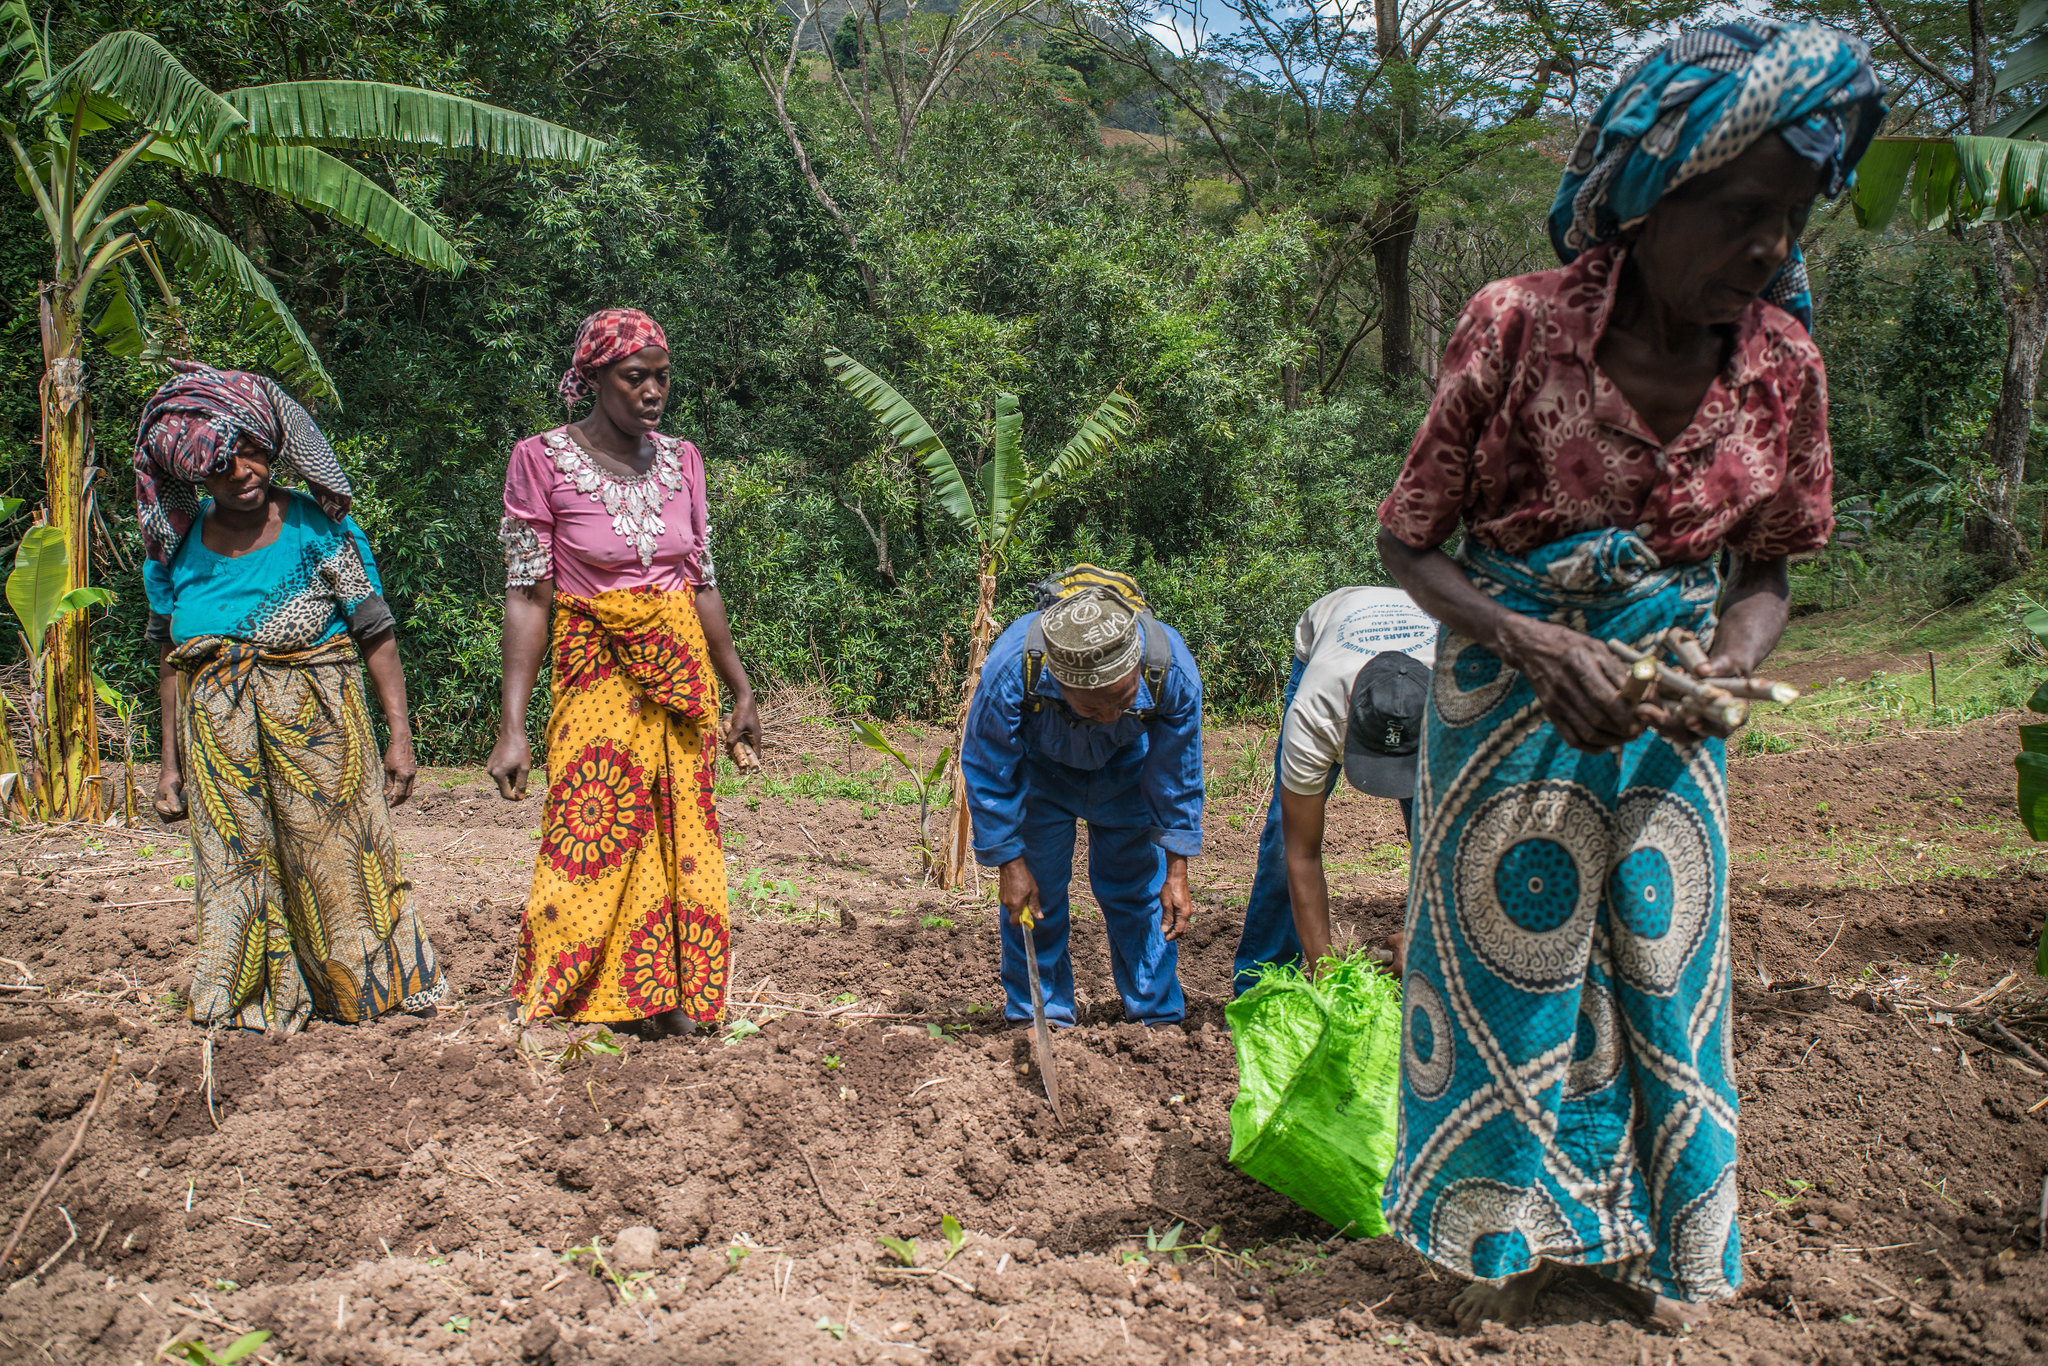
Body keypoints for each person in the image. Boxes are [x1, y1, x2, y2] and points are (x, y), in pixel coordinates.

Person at [1372, 22, 1883, 1330]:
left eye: (1795, 216)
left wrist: (1729, 662)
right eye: (1744, 211)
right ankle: (1503, 1253)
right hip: (1507, 698)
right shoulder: (1515, 326)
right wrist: (1537, 643)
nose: (1772, 246)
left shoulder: (1784, 368)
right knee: (1512, 969)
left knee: (1665, 966)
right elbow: (1408, 541)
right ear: (1654, 195)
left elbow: (1769, 568)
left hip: (1669, 712)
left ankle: (1665, 1249)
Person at [139, 360, 443, 1032]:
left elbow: (375, 630)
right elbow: (170, 660)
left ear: (270, 447)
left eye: (250, 453)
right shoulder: (176, 549)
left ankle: (363, 990)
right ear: (196, 478)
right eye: (221, 468)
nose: (243, 473)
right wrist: (170, 763)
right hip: (219, 733)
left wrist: (400, 738)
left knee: (339, 860)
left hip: (322, 725)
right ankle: (249, 999)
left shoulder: (315, 526)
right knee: (233, 867)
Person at [487, 309, 760, 1038]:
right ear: (594, 378)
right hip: (594, 669)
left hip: (679, 672)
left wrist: (739, 685)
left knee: (679, 828)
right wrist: (511, 727)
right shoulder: (540, 459)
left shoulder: (684, 461)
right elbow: (527, 595)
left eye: (662, 378)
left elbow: (702, 582)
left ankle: (669, 996)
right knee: (595, 824)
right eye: (635, 377)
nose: (652, 393)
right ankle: (575, 990)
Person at [961, 569, 1202, 1027]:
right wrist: (1010, 863)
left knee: (1138, 895)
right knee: (1037, 896)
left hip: (1128, 772)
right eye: (1092, 707)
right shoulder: (1014, 668)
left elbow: (1177, 773)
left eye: (1123, 699)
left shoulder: (1170, 670)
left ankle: (1156, 1018)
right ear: (1059, 682)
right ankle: (1041, 1014)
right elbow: (988, 766)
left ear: (1136, 669)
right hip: (1042, 776)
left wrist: (1177, 868)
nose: (1111, 715)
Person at [1231, 587, 1436, 993]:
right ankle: (1265, 982)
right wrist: (1324, 967)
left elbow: (1452, 854)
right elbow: (1301, 853)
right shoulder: (1316, 711)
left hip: (1427, 668)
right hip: (1327, 640)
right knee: (1281, 840)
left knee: (1432, 834)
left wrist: (1426, 939)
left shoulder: (1461, 705)